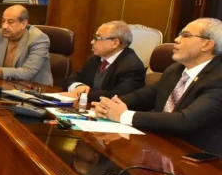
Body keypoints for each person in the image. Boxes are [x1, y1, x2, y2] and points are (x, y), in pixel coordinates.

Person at [93, 18, 222, 154]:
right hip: (160, 145)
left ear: (207, 45)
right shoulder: (175, 70)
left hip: (197, 156)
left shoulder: (218, 78)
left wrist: (124, 115)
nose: (176, 39)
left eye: (185, 35)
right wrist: (109, 106)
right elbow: (143, 96)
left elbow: (186, 121)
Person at [0, 5, 52, 85]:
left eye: (10, 22)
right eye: (3, 21)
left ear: (23, 24)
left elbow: (27, 73)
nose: (4, 26)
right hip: (3, 86)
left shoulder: (38, 39)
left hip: (34, 90)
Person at [62, 20, 145, 101]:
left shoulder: (132, 66)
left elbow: (116, 97)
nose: (92, 42)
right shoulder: (95, 58)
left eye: (98, 38)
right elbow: (72, 78)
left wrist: (83, 93)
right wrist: (78, 86)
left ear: (115, 43)